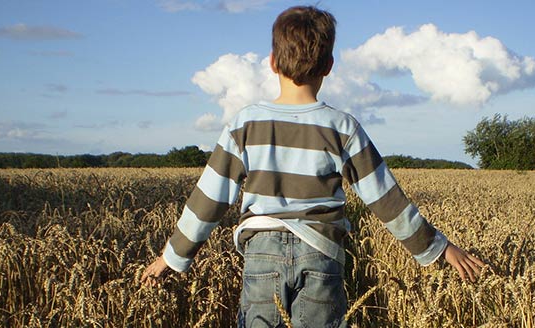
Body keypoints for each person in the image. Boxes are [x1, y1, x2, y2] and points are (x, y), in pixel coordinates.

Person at [141, 5, 485, 327]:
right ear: (329, 65)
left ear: (273, 62)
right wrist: (437, 246)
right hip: (322, 254)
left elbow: (208, 200)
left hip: (261, 255)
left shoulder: (245, 124)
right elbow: (387, 200)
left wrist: (172, 257)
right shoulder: (342, 127)